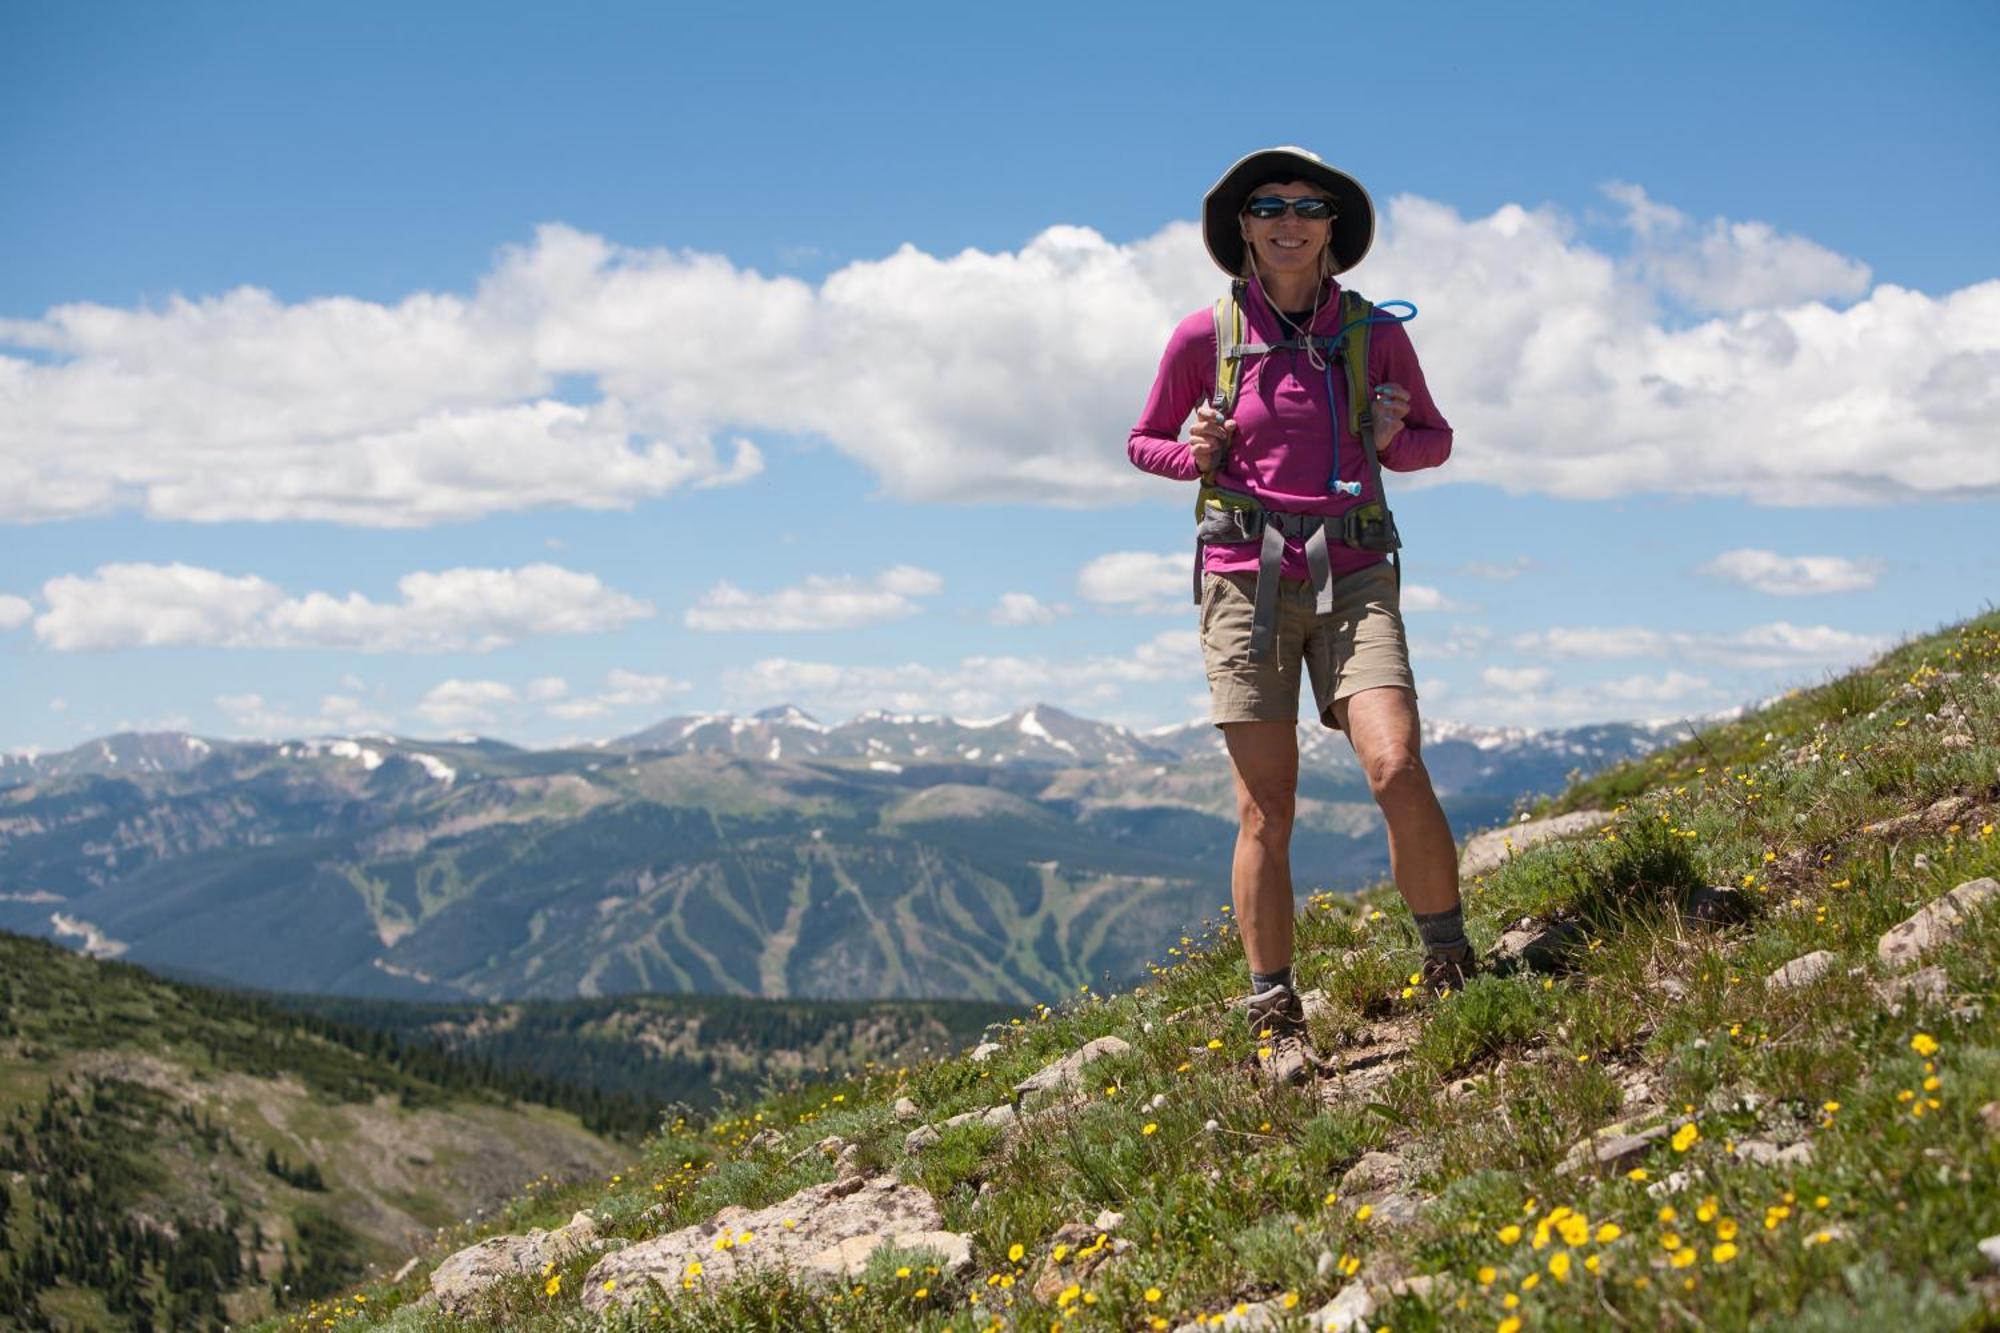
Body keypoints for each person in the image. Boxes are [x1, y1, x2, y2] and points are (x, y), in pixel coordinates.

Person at [1127, 146, 1474, 1085]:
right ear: (1242, 226)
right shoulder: (1204, 337)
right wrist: (1192, 450)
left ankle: (1450, 961)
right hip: (1245, 578)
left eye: (1307, 205)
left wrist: (1398, 433)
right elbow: (1143, 441)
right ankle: (1276, 1013)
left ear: (1332, 227)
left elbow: (1433, 443)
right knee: (1264, 809)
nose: (1288, 218)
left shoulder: (1372, 334)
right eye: (1268, 204)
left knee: (1396, 763)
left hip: (1356, 570)